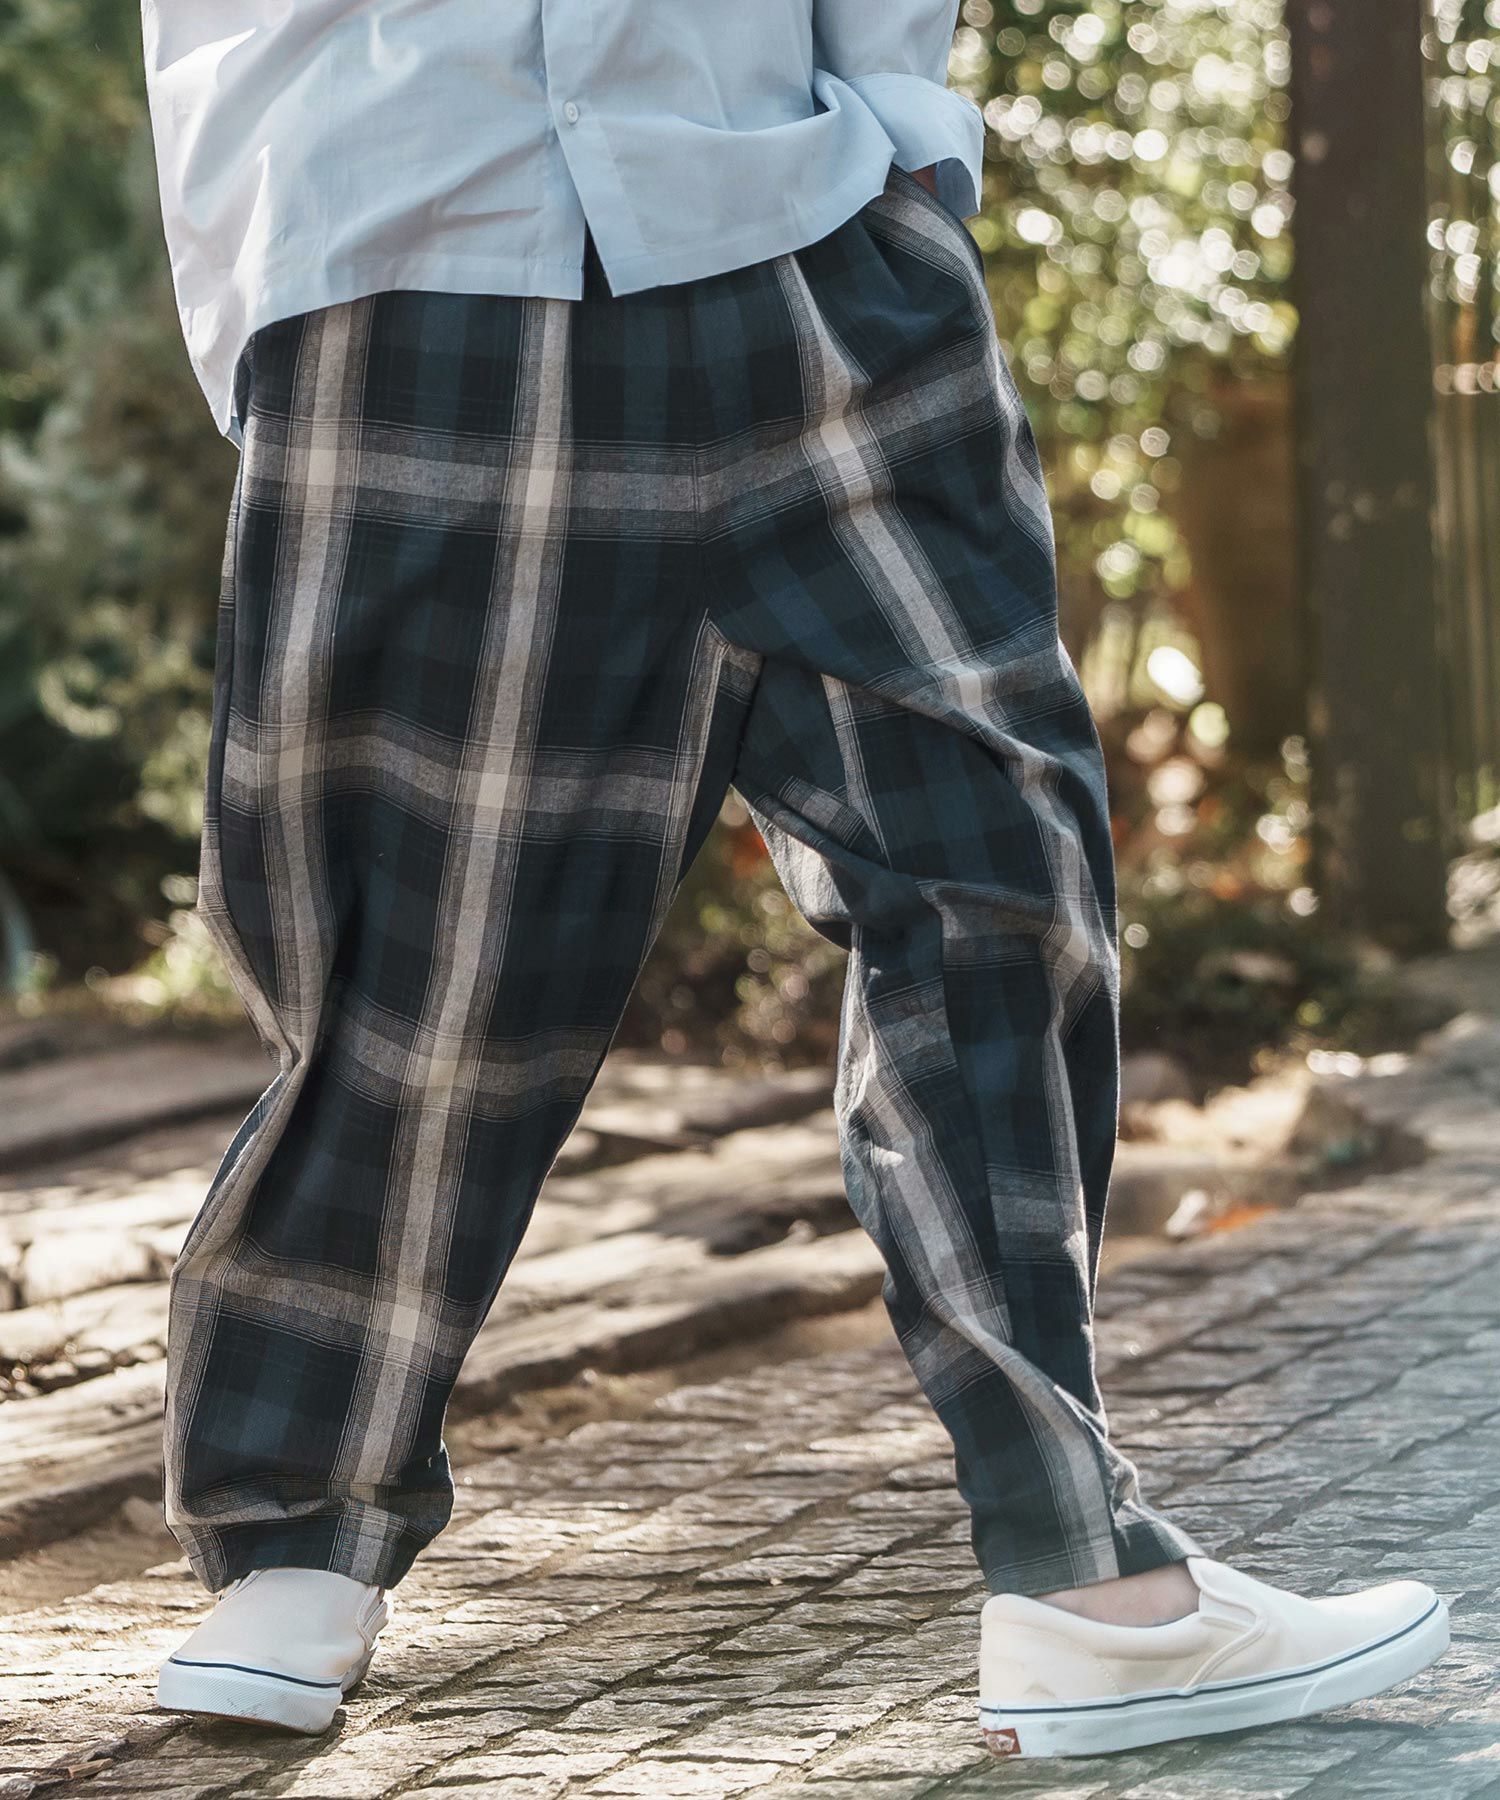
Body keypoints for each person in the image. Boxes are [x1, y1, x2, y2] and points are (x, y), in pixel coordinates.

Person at [138, 1, 1447, 1757]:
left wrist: (905, 143)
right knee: (426, 965)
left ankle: (1080, 1570)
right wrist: (288, 287)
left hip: (808, 231)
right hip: (434, 243)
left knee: (999, 869)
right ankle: (295, 1541)